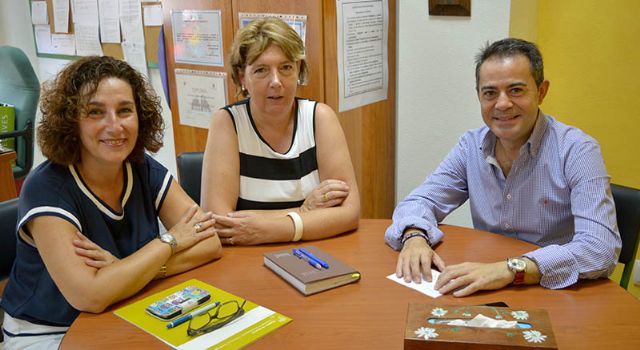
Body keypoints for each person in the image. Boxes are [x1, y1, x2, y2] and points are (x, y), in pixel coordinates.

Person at [0, 56, 222, 348]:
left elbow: (210, 243)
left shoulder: (143, 168)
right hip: (48, 332)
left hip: (124, 307)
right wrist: (168, 242)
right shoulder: (46, 188)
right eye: (95, 112)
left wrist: (125, 270)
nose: (114, 126)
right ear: (71, 120)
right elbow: (89, 295)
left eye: (125, 110)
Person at [385, 38, 621, 297]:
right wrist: (415, 235)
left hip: (558, 290)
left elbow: (600, 247)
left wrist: (512, 269)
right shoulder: (470, 146)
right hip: (490, 286)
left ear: (541, 92)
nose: (502, 104)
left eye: (516, 90)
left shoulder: (577, 150)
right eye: (490, 93)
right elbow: (420, 200)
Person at [201, 17, 360, 245]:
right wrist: (304, 211)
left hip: (315, 252)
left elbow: (349, 213)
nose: (276, 82)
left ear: (299, 70)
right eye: (261, 70)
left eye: (286, 67)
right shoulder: (227, 123)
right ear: (241, 77)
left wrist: (271, 226)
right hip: (246, 260)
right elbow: (220, 224)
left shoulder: (320, 118)